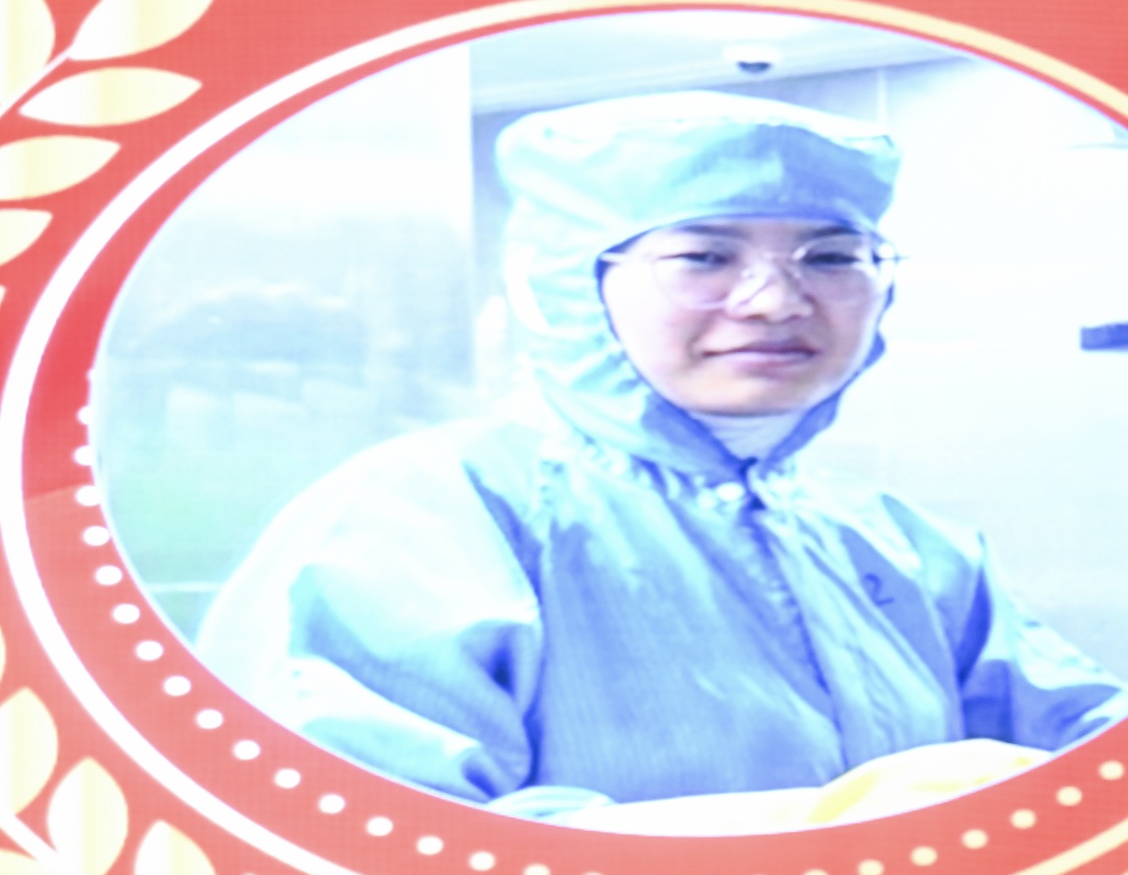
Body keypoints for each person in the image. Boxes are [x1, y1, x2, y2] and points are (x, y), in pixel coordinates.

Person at [193, 90, 1124, 824]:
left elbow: (1087, 754)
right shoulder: (419, 518)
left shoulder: (901, 542)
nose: (775, 300)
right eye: (704, 257)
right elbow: (370, 846)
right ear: (569, 284)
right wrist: (832, 842)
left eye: (832, 257)